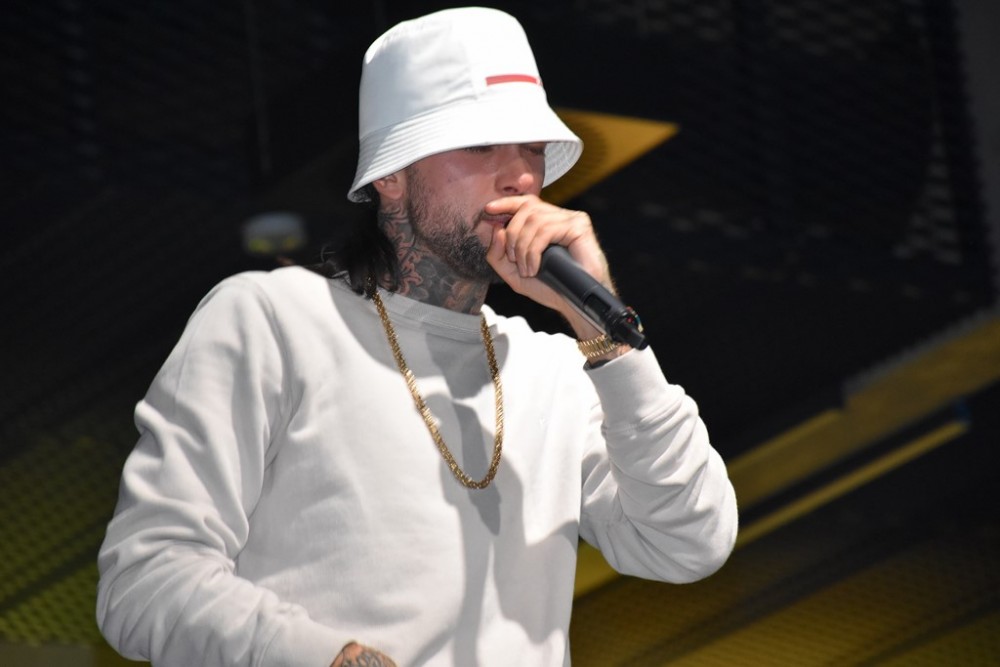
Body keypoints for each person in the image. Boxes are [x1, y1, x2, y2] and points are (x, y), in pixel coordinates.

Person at [96, 7, 738, 666]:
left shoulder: (558, 370)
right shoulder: (274, 319)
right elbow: (146, 579)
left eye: (532, 149)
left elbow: (689, 543)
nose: (520, 177)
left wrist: (606, 334)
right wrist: (328, 657)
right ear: (391, 174)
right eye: (482, 145)